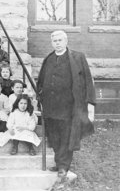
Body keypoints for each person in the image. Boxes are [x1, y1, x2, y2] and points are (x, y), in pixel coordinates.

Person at [37, 30, 95, 178]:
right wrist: (39, 99)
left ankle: (64, 166)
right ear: (51, 43)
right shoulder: (49, 59)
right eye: (54, 41)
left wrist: (90, 104)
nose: (57, 43)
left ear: (66, 41)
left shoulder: (77, 57)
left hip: (68, 107)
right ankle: (58, 163)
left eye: (60, 40)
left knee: (66, 137)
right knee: (54, 137)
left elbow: (88, 81)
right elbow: (41, 81)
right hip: (50, 107)